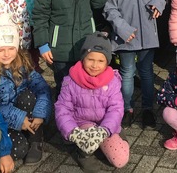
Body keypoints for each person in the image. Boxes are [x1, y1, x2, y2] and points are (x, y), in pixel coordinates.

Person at [103, 0, 166, 128]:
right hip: (126, 36)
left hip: (147, 34)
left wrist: (159, 4)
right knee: (127, 73)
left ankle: (148, 110)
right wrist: (122, 29)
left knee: (146, 72)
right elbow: (110, 7)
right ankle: (127, 108)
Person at [55, 32, 130, 172]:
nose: (95, 65)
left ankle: (111, 137)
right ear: (83, 58)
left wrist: (105, 129)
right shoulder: (70, 80)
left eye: (101, 61)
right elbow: (62, 109)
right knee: (87, 145)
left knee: (120, 160)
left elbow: (116, 108)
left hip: (104, 125)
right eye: (90, 59)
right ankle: (83, 154)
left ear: (107, 62)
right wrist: (72, 132)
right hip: (82, 125)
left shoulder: (112, 80)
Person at [0, 15, 52, 166]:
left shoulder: (23, 65)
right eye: (1, 50)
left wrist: (40, 115)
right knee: (18, 150)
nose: (6, 54)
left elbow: (43, 88)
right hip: (0, 120)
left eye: (11, 48)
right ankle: (4, 140)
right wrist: (17, 119)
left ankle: (35, 137)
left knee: (28, 96)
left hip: (24, 112)